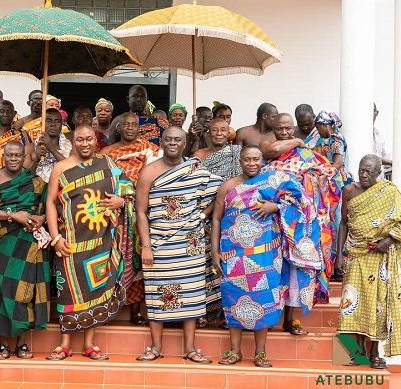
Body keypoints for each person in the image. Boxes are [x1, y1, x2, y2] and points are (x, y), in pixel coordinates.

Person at [212, 145, 322, 368]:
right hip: (233, 255)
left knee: (264, 299)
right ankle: (235, 352)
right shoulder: (228, 186)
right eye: (247, 160)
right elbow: (216, 219)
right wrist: (215, 251)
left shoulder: (275, 183)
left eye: (256, 159)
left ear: (263, 160)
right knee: (234, 298)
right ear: (240, 161)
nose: (251, 164)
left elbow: (304, 205)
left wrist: (276, 206)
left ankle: (260, 353)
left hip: (267, 254)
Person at [45, 124, 135, 361]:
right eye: (79, 140)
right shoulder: (61, 168)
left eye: (89, 139)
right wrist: (55, 238)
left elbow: (127, 189)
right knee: (69, 292)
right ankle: (64, 344)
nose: (84, 144)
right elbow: (50, 205)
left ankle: (89, 343)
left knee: (96, 290)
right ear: (73, 141)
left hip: (101, 241)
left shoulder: (108, 164)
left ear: (96, 140)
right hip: (70, 243)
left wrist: (120, 201)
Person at [134, 126, 222, 363]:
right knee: (157, 292)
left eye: (178, 140)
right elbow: (140, 212)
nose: (173, 143)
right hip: (159, 244)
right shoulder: (149, 172)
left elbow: (221, 191)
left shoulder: (195, 169)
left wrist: (202, 215)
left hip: (190, 244)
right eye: (168, 139)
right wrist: (146, 246)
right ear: (161, 142)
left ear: (185, 143)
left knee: (192, 292)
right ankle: (155, 347)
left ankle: (190, 348)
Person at [261, 113, 343, 313]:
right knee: (272, 267)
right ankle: (270, 315)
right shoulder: (266, 149)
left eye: (288, 129)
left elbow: (330, 175)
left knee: (295, 269)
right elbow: (263, 173)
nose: (283, 132)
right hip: (270, 219)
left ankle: (290, 318)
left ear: (293, 127)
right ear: (273, 129)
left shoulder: (307, 154)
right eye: (279, 128)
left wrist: (305, 179)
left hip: (300, 222)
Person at [0, 141, 49, 360]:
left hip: (31, 243)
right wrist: (13, 215)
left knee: (27, 291)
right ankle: (2, 345)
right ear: (3, 156)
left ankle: (23, 344)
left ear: (24, 157)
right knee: (3, 291)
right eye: (10, 155)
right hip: (4, 242)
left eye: (19, 155)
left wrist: (42, 218)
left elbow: (47, 208)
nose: (15, 159)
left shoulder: (35, 181)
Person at [335, 155, 401, 367]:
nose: (363, 175)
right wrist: (339, 255)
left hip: (379, 256)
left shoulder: (389, 191)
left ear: (378, 172)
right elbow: (343, 223)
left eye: (369, 172)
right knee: (351, 304)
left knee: (377, 305)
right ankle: (356, 353)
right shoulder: (349, 190)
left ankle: (374, 354)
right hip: (355, 255)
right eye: (361, 170)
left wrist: (389, 240)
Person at [101, 112, 161, 325]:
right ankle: (109, 307)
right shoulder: (107, 152)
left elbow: (157, 178)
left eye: (134, 124)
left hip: (142, 212)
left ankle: (136, 311)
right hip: (114, 213)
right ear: (118, 128)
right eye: (125, 124)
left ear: (139, 128)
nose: (129, 128)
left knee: (138, 260)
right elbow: (102, 180)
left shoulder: (151, 150)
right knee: (114, 259)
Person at [0, 100, 32, 171]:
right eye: (2, 111)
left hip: (17, 175)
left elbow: (27, 158)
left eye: (9, 111)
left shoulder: (21, 133)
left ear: (14, 114)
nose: (5, 114)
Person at [307, 111, 353, 185]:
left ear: (324, 125)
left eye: (318, 128)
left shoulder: (336, 139)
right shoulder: (327, 140)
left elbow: (338, 163)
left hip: (340, 180)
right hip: (334, 178)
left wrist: (322, 175)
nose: (318, 132)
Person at [26, 108, 72, 183]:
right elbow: (25, 178)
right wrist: (37, 159)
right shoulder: (30, 147)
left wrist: (52, 150)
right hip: (38, 193)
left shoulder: (70, 145)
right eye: (48, 121)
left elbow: (74, 171)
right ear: (41, 124)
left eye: (57, 121)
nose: (53, 124)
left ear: (61, 124)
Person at [372, 103, 392, 179]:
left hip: (379, 180)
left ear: (376, 113)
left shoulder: (379, 136)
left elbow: (385, 156)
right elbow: (369, 158)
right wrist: (392, 162)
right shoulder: (358, 135)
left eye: (373, 111)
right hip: (365, 181)